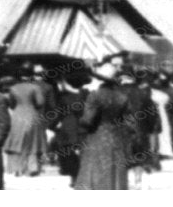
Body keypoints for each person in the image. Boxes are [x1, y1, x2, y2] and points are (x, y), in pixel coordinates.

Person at [75, 59, 130, 190]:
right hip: (116, 136)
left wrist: (79, 121)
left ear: (100, 81)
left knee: (94, 170)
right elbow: (128, 120)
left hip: (97, 136)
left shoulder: (95, 96)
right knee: (114, 171)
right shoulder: (123, 97)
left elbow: (88, 120)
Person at [4, 63, 48, 176]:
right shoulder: (36, 88)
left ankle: (17, 168)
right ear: (31, 75)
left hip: (17, 116)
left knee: (17, 141)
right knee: (33, 141)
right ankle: (32, 167)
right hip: (32, 114)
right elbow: (40, 102)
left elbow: (11, 104)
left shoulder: (13, 88)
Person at [49, 68, 89, 184]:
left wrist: (52, 126)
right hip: (84, 128)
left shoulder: (64, 98)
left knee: (69, 154)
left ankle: (74, 177)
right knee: (84, 153)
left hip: (68, 128)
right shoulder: (87, 95)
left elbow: (57, 115)